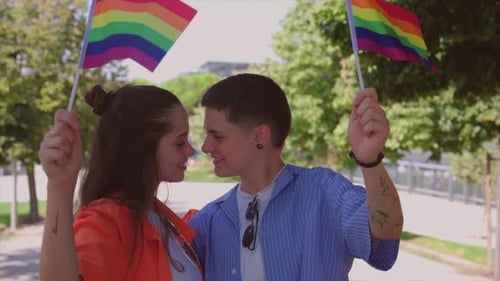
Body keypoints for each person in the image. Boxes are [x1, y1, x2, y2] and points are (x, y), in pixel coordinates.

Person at [188, 73, 404, 281]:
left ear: (260, 135)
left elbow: (386, 230)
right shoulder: (210, 220)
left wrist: (370, 160)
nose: (206, 146)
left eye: (217, 136)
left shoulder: (324, 193)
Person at [38, 85, 202, 281]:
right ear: (142, 147)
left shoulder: (161, 217)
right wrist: (60, 186)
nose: (191, 150)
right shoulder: (105, 222)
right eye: (180, 142)